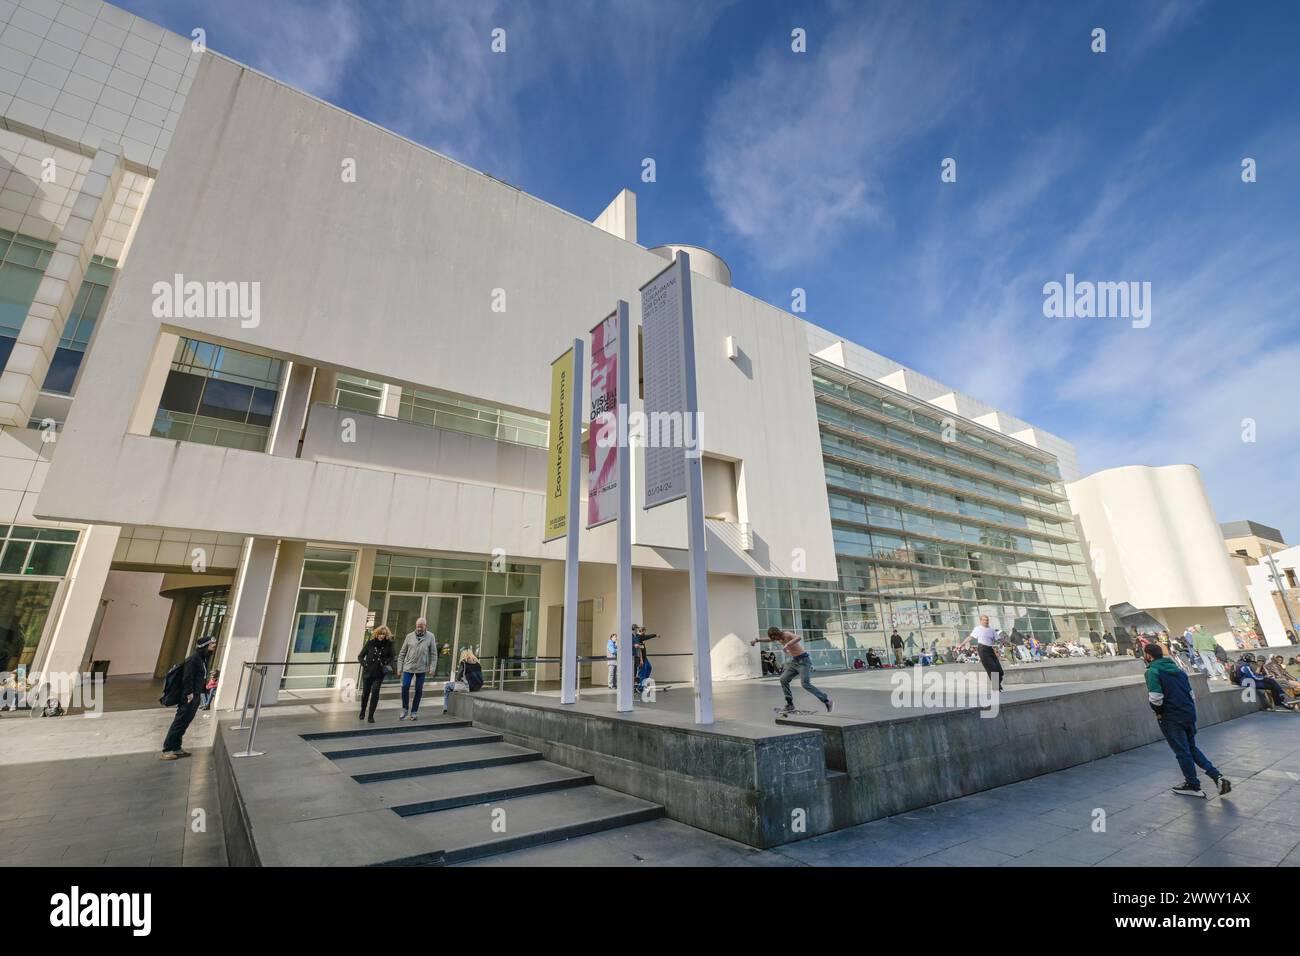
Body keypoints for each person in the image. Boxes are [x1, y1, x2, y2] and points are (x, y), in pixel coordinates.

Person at [1143, 641, 1231, 798]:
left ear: (1148, 656)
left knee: (1182, 751)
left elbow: (1156, 698)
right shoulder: (1178, 670)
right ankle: (1217, 776)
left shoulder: (1152, 671)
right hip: (1188, 713)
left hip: (1171, 716)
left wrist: (1158, 712)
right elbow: (1191, 693)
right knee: (1191, 748)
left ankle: (1193, 784)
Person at [752, 627, 832, 714]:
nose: (776, 640)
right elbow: (768, 639)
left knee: (805, 684)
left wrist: (787, 645)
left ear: (778, 633)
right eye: (774, 638)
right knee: (783, 679)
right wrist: (757, 640)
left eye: (776, 637)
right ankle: (790, 704)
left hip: (804, 661)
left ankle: (827, 701)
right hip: (795, 662)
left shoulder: (786, 634)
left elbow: (799, 637)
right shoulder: (776, 638)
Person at [160, 636, 216, 761]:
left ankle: (176, 747)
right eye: (211, 645)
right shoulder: (193, 659)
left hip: (195, 696)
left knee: (185, 722)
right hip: (189, 697)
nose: (213, 647)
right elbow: (187, 678)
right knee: (180, 722)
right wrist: (189, 694)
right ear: (205, 646)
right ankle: (167, 749)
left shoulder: (203, 659)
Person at [397, 617, 436, 721]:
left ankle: (414, 711)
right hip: (408, 667)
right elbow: (402, 653)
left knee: (418, 689)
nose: (419, 628)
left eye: (421, 627)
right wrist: (399, 667)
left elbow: (433, 654)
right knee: (405, 686)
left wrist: (432, 668)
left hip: (422, 668)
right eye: (418, 626)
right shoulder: (409, 636)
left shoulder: (430, 636)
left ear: (425, 627)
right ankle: (405, 709)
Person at [357, 625, 394, 723]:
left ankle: (371, 715)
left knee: (375, 692)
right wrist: (365, 665)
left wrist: (386, 662)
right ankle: (362, 711)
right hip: (368, 672)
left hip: (379, 673)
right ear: (376, 634)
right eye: (380, 634)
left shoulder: (388, 644)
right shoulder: (370, 643)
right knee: (365, 693)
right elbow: (360, 656)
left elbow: (392, 657)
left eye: (384, 634)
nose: (382, 636)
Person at [443, 647, 484, 713]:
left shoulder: (463, 663)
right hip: (477, 687)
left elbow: (458, 677)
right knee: (456, 686)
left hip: (466, 687)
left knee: (447, 686)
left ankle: (446, 708)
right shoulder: (478, 664)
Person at [970, 615, 1003, 691]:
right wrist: (962, 644)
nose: (986, 621)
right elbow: (970, 637)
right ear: (981, 621)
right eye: (984, 620)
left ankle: (997, 685)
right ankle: (997, 688)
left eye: (987, 620)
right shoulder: (977, 629)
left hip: (990, 649)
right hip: (982, 649)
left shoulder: (991, 630)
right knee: (992, 669)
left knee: (1000, 671)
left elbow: (999, 639)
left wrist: (1009, 643)